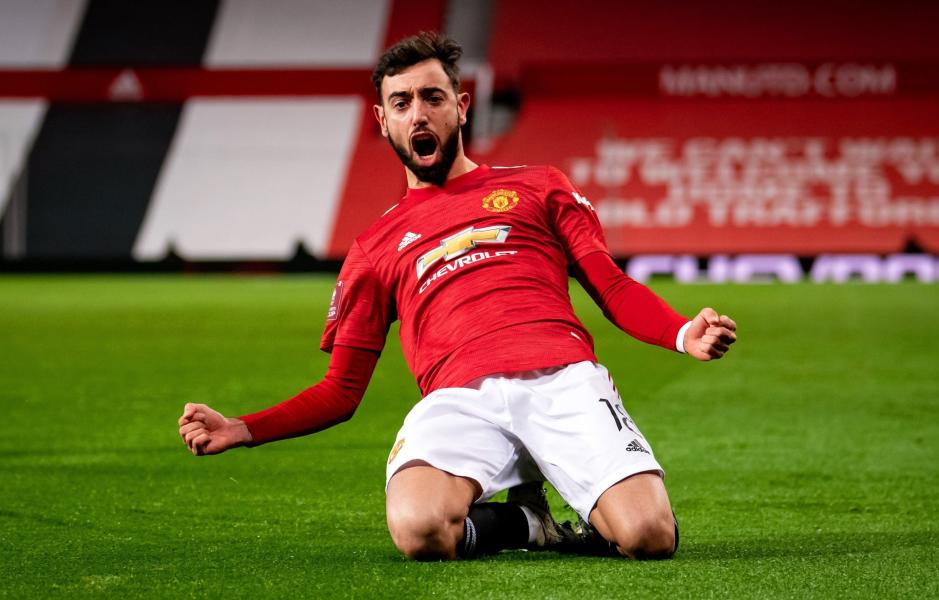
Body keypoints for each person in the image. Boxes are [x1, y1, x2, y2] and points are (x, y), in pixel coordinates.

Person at [178, 32, 737, 561]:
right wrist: (242, 429)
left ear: (461, 106)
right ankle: (528, 524)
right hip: (458, 399)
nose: (417, 113)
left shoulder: (539, 185)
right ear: (382, 120)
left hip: (561, 378)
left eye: (431, 97)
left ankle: (594, 505)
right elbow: (341, 390)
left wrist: (683, 332)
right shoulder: (374, 247)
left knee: (648, 535)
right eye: (400, 103)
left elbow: (610, 284)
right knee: (420, 529)